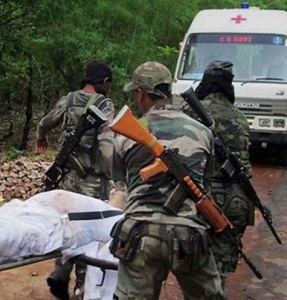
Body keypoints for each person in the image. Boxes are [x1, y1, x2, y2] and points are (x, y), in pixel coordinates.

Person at [111, 61, 225, 299]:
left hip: (139, 233)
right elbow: (206, 181)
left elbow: (120, 190)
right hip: (188, 232)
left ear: (141, 95)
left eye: (135, 94)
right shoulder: (202, 132)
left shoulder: (124, 136)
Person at [36, 60, 115, 299]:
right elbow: (106, 147)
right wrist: (112, 174)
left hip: (68, 178)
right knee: (89, 231)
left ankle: (61, 270)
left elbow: (45, 122)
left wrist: (41, 138)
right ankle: (82, 287)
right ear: (104, 83)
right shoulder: (105, 104)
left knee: (69, 224)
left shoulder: (68, 99)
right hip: (92, 180)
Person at [182, 60, 253, 287]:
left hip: (199, 197)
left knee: (193, 265)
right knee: (220, 268)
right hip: (235, 201)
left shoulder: (188, 112)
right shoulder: (239, 118)